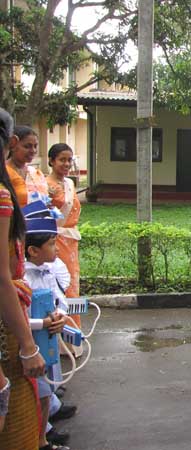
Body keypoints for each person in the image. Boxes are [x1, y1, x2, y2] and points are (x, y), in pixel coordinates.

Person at [0, 108, 46, 448]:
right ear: (11, 143)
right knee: (16, 419)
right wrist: (29, 348)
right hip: (6, 333)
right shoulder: (3, 194)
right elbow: (1, 278)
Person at [23, 213, 70, 450]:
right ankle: (41, 439)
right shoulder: (23, 278)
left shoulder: (48, 270)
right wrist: (42, 323)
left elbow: (59, 298)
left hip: (47, 337)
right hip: (29, 343)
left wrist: (60, 315)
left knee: (49, 384)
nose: (56, 248)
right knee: (37, 392)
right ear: (32, 250)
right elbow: (18, 318)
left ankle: (46, 428)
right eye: (51, 244)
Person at [46, 144, 82, 330]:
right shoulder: (44, 185)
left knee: (71, 286)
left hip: (71, 242)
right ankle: (56, 334)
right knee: (57, 285)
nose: (67, 164)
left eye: (69, 160)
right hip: (53, 241)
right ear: (51, 161)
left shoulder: (70, 183)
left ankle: (72, 334)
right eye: (62, 160)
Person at [6, 126, 47, 207]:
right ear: (13, 145)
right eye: (27, 146)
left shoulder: (36, 173)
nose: (33, 151)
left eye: (35, 146)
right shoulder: (4, 172)